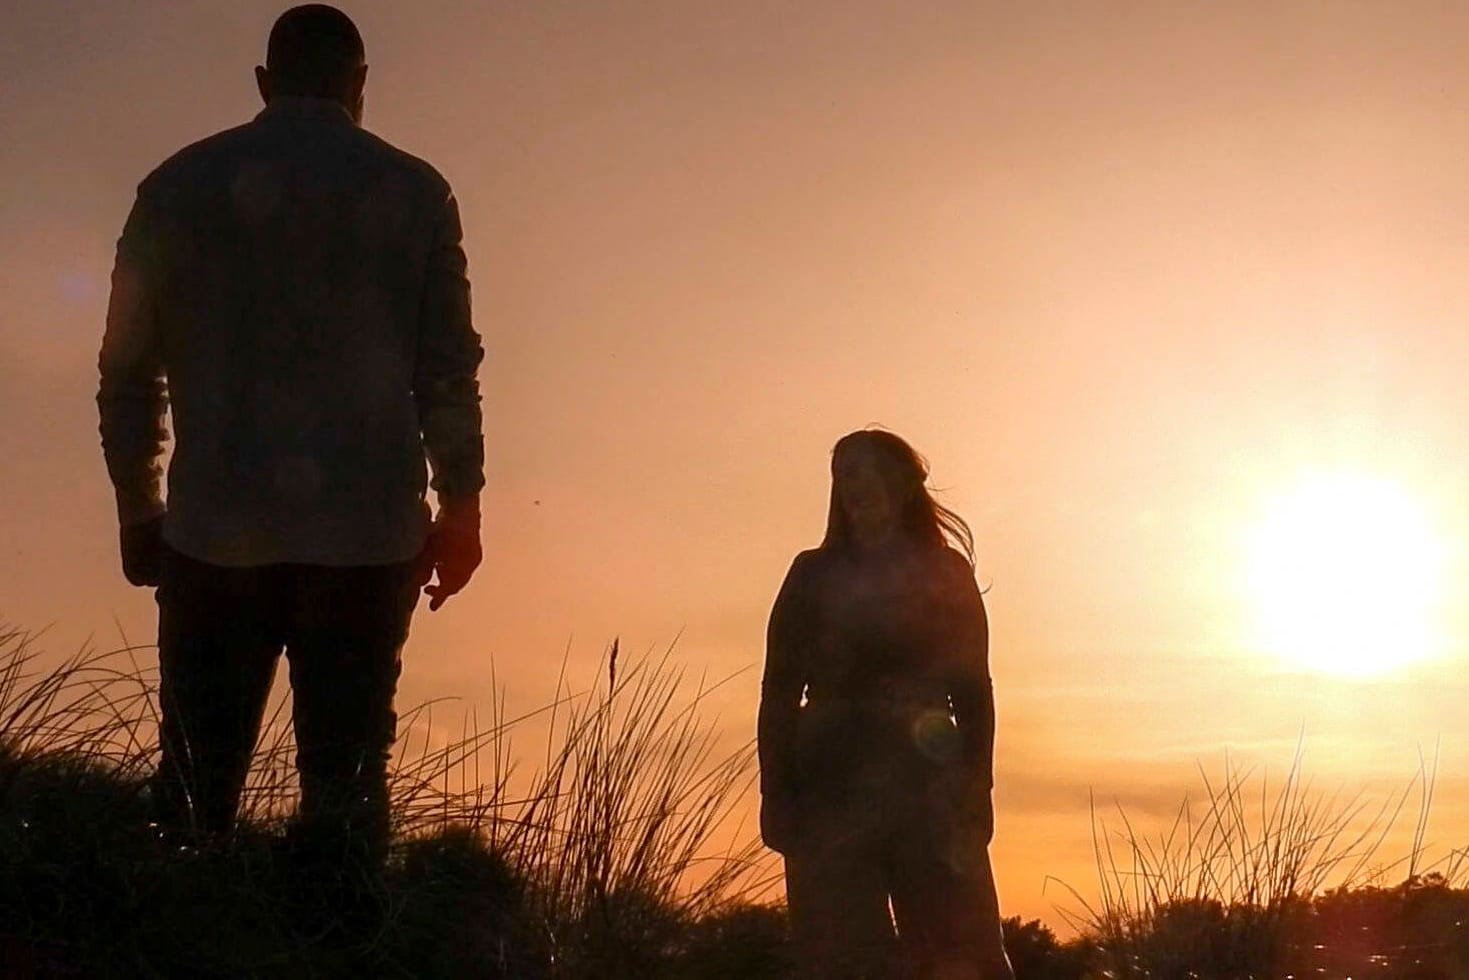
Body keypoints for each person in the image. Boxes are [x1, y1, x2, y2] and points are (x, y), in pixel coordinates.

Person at [97, 4, 484, 877]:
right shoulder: (417, 192)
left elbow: (126, 374)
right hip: (364, 539)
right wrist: (461, 505)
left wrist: (137, 505)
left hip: (213, 533)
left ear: (265, 84)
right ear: (359, 87)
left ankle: (181, 944)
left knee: (193, 801)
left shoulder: (174, 187)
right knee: (344, 794)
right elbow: (447, 371)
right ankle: (337, 945)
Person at [758, 430, 1014, 980]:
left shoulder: (946, 575)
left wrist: (978, 786)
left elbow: (973, 690)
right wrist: (774, 792)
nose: (857, 484)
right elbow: (778, 692)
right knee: (842, 959)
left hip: (931, 786)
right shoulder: (812, 575)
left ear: (903, 483)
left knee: (961, 955)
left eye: (871, 470)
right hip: (828, 785)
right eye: (846, 472)